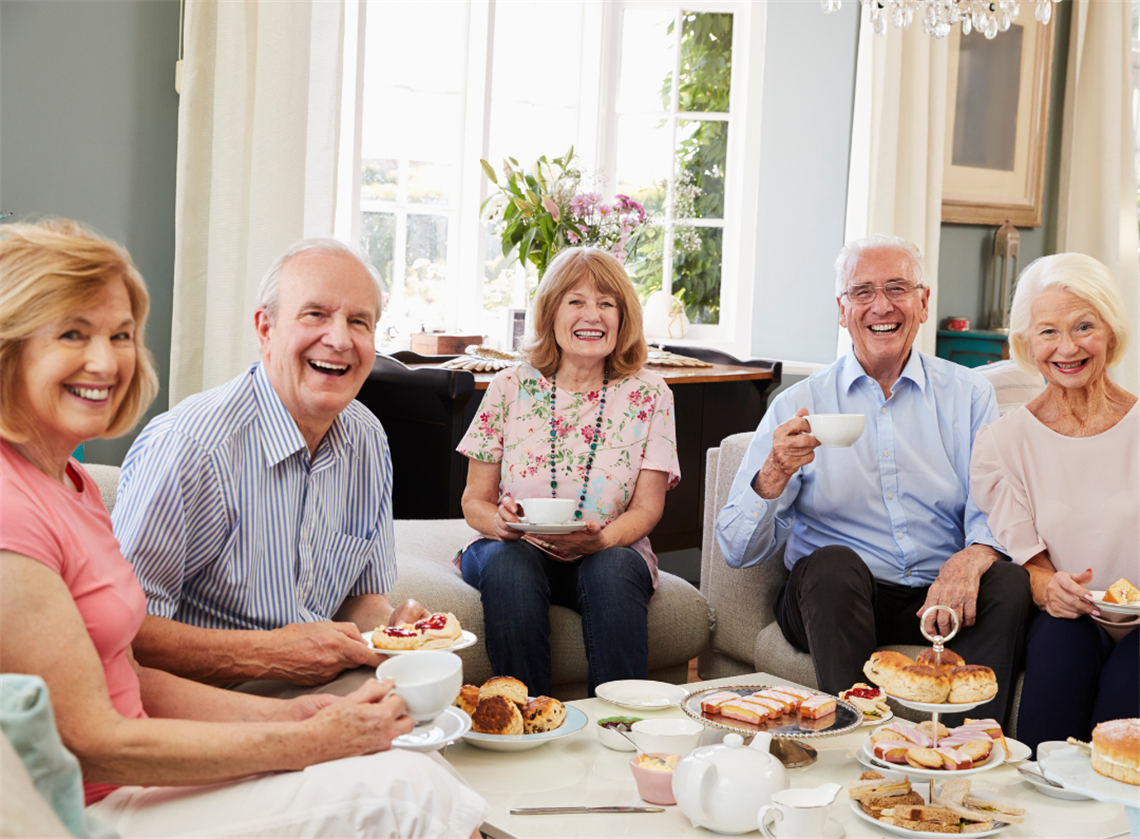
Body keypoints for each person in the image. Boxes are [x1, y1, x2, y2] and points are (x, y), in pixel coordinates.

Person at [0, 219, 486, 838]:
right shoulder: (41, 499)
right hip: (91, 801)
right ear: (264, 327)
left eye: (121, 335)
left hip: (163, 751)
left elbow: (124, 675)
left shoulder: (68, 482)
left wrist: (307, 715)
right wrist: (303, 736)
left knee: (416, 758)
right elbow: (94, 738)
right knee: (412, 794)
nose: (105, 360)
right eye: (73, 333)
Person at [717, 233, 1032, 725]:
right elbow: (736, 551)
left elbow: (992, 507)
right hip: (834, 596)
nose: (880, 306)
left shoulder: (968, 396)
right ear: (842, 310)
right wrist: (774, 472)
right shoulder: (799, 405)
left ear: (923, 303)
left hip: (937, 597)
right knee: (833, 565)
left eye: (897, 288)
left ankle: (965, 742)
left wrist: (972, 557)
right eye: (863, 292)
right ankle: (859, 735)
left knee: (1008, 581)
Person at [111, 236, 425, 695]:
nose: (339, 339)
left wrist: (394, 630)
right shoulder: (190, 446)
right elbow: (124, 633)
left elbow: (361, 601)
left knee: (433, 730)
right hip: (198, 698)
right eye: (315, 314)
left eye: (359, 321)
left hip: (319, 684)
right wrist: (272, 653)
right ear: (265, 329)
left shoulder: (368, 438)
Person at [457, 247, 680, 697]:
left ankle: (622, 727)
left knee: (613, 567)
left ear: (623, 317)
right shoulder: (509, 386)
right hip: (517, 549)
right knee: (510, 564)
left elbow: (647, 508)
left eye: (606, 303)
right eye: (575, 301)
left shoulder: (651, 393)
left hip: (608, 549)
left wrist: (605, 539)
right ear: (551, 312)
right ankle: (525, 719)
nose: (591, 315)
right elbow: (473, 501)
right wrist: (499, 523)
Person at [970, 253, 1139, 753]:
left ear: (1109, 331)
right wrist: (1049, 591)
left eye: (1083, 326)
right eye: (1048, 332)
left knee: (1123, 738)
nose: (1067, 348)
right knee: (1054, 722)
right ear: (1026, 343)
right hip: (1068, 618)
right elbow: (1033, 564)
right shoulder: (1003, 444)